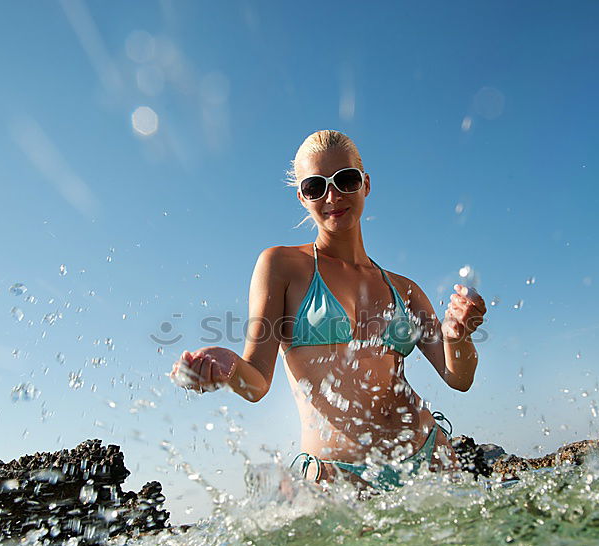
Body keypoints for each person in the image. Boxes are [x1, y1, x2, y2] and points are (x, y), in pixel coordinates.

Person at [171, 130, 485, 490]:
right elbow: (255, 383)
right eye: (315, 186)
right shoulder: (282, 266)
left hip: (430, 459)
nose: (332, 196)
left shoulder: (405, 289)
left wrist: (457, 336)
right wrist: (227, 368)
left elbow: (458, 378)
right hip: (340, 482)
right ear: (302, 197)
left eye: (345, 180)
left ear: (365, 184)